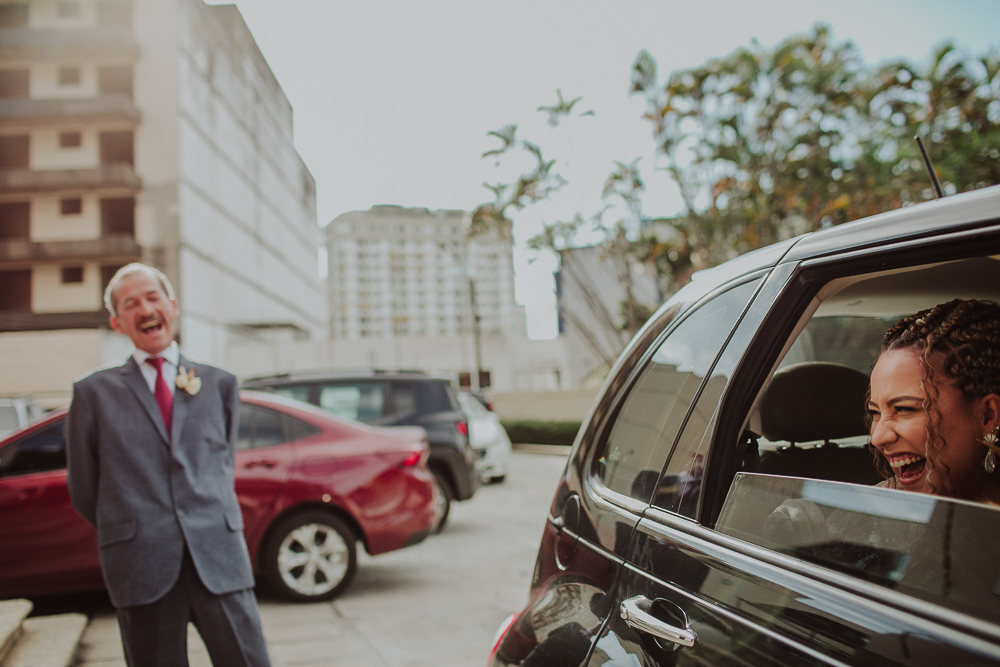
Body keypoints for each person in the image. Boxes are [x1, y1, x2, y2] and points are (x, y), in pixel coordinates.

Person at [65, 263, 271, 667]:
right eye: (131, 303)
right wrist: (135, 525)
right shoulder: (92, 394)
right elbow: (84, 489)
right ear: (117, 322)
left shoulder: (220, 384)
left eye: (152, 297)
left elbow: (220, 464)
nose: (145, 308)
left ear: (172, 307)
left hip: (218, 556)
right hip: (141, 564)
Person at [866, 298, 1000, 504]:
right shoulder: (876, 506)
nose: (878, 438)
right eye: (875, 412)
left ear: (988, 416)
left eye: (903, 409)